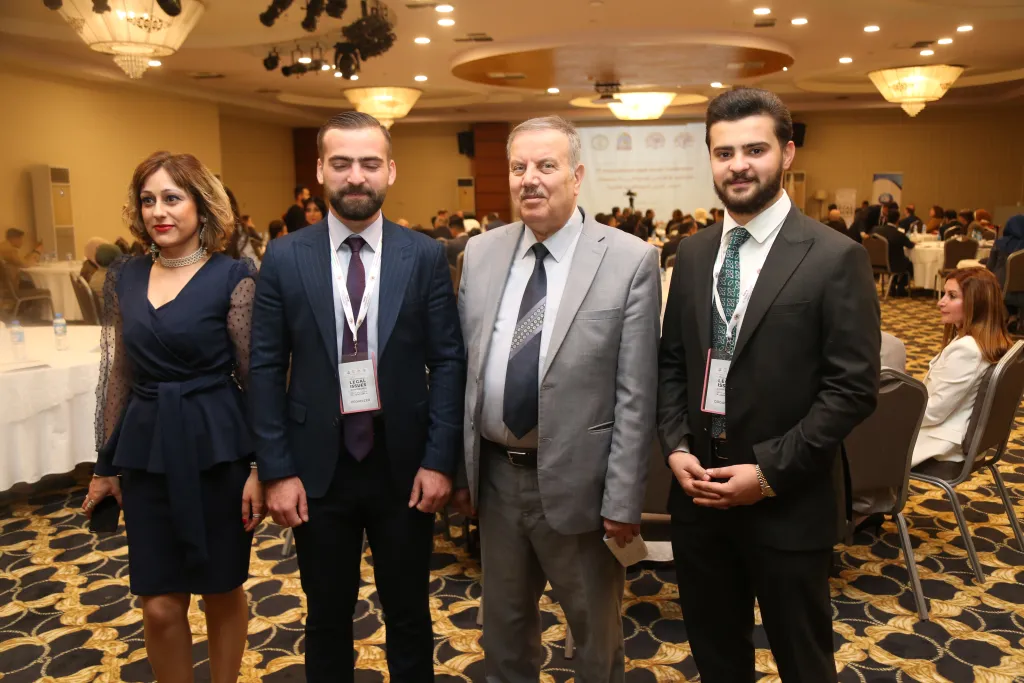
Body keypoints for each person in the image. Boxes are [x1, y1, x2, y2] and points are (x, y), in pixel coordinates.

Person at [658, 87, 880, 683]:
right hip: (700, 499)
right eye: (723, 152)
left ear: (787, 153)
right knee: (717, 661)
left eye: (754, 149)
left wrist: (766, 473)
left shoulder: (835, 257)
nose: (738, 165)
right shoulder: (693, 253)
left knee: (803, 663)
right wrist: (676, 446)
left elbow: (852, 388)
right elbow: (673, 364)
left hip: (787, 502)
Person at [249, 111, 465, 683]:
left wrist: (439, 460)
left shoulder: (423, 255)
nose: (356, 176)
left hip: (404, 466)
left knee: (409, 614)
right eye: (341, 163)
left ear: (390, 170)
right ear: (321, 170)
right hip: (315, 469)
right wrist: (276, 470)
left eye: (370, 163)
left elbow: (448, 361)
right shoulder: (285, 256)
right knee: (325, 616)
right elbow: (264, 368)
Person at [451, 115, 660, 683]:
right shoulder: (481, 253)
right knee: (503, 638)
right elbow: (466, 374)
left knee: (594, 643)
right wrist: (463, 472)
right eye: (518, 167)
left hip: (583, 487)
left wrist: (623, 499)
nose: (530, 179)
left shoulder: (629, 259)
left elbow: (636, 394)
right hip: (497, 480)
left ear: (577, 175)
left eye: (546, 165)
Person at [83, 151, 262, 683]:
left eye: (172, 198)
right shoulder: (125, 276)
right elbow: (119, 374)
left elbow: (256, 379)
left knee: (221, 589)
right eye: (148, 200)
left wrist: (262, 467)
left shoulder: (234, 276)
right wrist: (105, 464)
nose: (158, 211)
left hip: (217, 450)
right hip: (148, 451)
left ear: (201, 206)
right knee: (159, 604)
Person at [876, 209, 915, 296]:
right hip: (892, 264)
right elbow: (910, 245)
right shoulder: (898, 234)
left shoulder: (875, 230)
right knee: (909, 264)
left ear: (886, 218)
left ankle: (892, 285)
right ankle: (901, 287)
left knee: (899, 260)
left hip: (875, 263)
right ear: (898, 220)